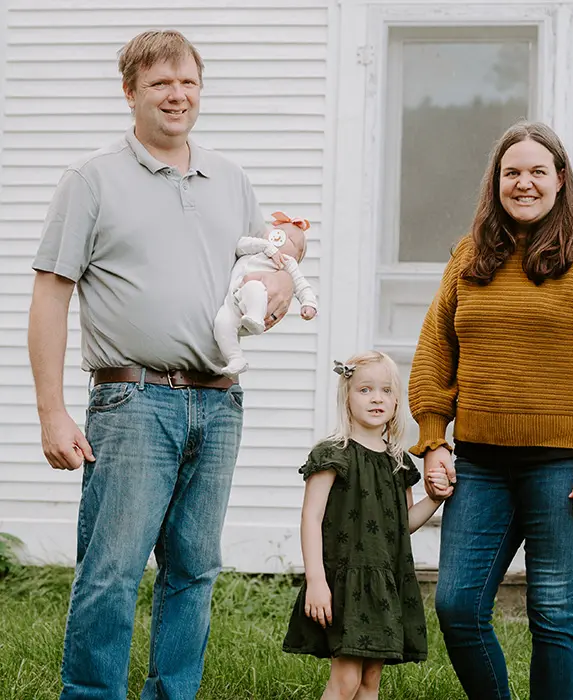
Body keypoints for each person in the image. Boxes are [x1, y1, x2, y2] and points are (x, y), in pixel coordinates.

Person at [27, 30, 294, 700]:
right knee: (111, 569)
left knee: (195, 569)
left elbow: (266, 269)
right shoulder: (92, 180)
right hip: (132, 402)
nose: (178, 96)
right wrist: (52, 411)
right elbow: (50, 295)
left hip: (220, 402)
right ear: (130, 93)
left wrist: (282, 288)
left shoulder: (230, 180)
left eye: (188, 83)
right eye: (160, 84)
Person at [409, 121, 573, 700]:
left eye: (538, 171)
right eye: (511, 172)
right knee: (458, 606)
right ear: (495, 183)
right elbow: (435, 349)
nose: (524, 183)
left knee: (552, 609)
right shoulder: (469, 255)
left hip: (566, 466)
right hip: (481, 464)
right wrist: (435, 439)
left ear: (560, 180)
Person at [283, 351, 453, 700]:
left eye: (387, 390)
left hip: (385, 582)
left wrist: (436, 499)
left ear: (395, 400)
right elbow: (310, 518)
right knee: (345, 681)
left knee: (370, 682)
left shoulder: (398, 461)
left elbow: (404, 524)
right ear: (346, 397)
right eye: (365, 389)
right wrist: (315, 580)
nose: (377, 397)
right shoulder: (333, 453)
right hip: (346, 581)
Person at [214, 211, 317, 376]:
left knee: (253, 286)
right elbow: (240, 244)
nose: (280, 237)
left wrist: (309, 303)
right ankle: (235, 358)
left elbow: (302, 285)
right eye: (279, 231)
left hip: (254, 294)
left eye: (290, 240)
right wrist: (265, 247)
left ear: (297, 257)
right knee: (222, 324)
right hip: (232, 301)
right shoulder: (254, 249)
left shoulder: (287, 263)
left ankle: (255, 318)